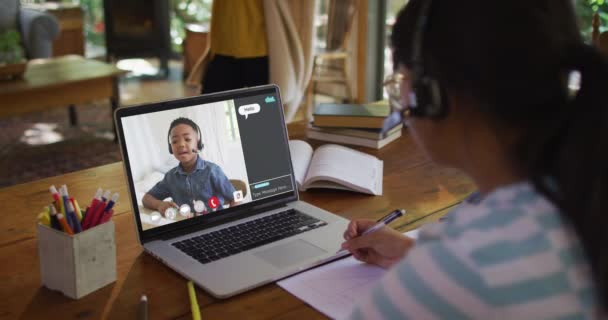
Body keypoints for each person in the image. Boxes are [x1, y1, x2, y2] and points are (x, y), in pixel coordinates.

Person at [341, 0, 607, 318]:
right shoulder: (580, 192)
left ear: (433, 94)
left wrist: (435, 270)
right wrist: (413, 254)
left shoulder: (464, 265)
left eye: (401, 81)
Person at [142, 117, 236, 216]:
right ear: (171, 148)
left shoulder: (212, 171)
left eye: (187, 139)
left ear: (198, 144)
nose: (181, 144)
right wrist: (159, 205)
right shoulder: (170, 178)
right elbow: (146, 199)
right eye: (174, 141)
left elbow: (236, 199)